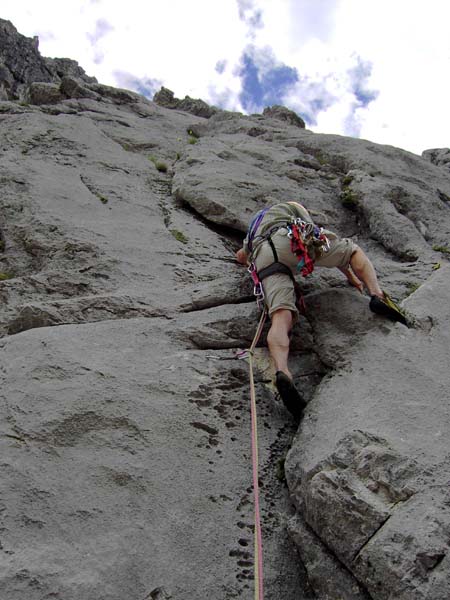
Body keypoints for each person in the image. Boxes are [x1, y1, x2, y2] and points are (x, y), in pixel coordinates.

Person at [236, 201, 406, 420]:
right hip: (289, 237)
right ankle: (377, 295)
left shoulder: (255, 227)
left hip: (264, 254)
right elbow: (317, 239)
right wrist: (350, 276)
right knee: (352, 250)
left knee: (281, 316)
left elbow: (242, 256)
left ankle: (282, 371)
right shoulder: (292, 206)